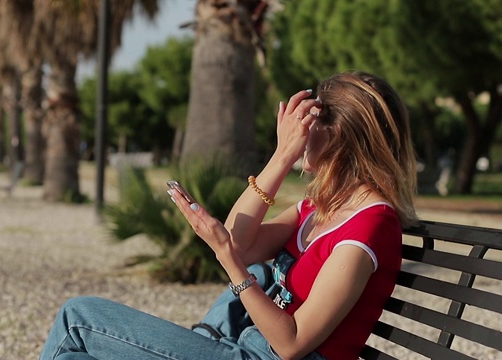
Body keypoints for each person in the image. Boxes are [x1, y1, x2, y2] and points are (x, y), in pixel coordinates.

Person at [38, 71, 418, 360]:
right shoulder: (321, 207)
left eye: (306, 124)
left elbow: (291, 344)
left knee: (78, 318)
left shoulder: (367, 228)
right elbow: (242, 241)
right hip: (241, 343)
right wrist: (281, 157)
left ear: (334, 136)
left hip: (259, 354)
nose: (292, 133)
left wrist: (228, 261)